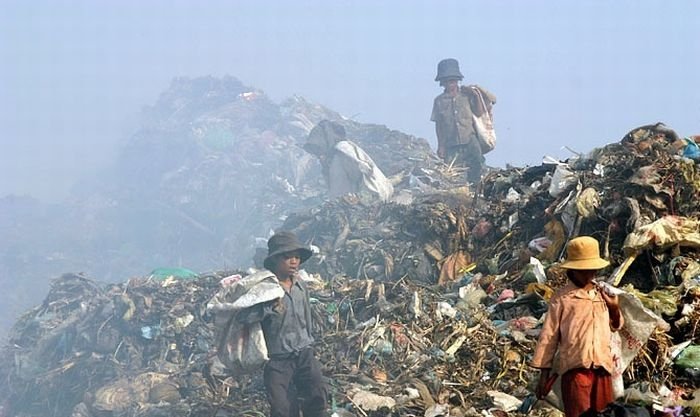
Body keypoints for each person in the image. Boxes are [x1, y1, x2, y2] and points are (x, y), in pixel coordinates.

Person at [531, 236, 623, 417]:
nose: (590, 275)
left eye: (593, 271)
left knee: (605, 413)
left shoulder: (602, 294)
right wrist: (544, 376)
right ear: (572, 270)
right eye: (584, 271)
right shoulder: (562, 298)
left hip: (602, 369)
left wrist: (613, 307)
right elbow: (548, 338)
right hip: (576, 371)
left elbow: (616, 325)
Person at [239, 232, 327, 417]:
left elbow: (307, 317)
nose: (293, 261)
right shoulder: (265, 290)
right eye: (287, 257)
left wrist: (309, 342)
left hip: (304, 353)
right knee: (282, 408)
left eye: (296, 257)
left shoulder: (300, 286)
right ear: (274, 260)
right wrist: (268, 308)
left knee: (317, 395)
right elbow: (245, 318)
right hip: (278, 359)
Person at [431, 58, 496, 185]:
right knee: (453, 176)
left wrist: (476, 96)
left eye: (453, 81)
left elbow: (479, 112)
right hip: (451, 145)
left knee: (477, 168)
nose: (450, 84)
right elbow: (439, 125)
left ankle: (477, 194)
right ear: (442, 82)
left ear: (457, 81)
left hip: (470, 141)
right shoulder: (439, 101)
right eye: (447, 81)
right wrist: (441, 146)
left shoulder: (466, 96)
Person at [304, 120, 393, 202]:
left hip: (366, 202)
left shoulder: (343, 150)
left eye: (319, 149)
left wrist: (361, 199)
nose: (319, 156)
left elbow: (364, 173)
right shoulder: (332, 160)